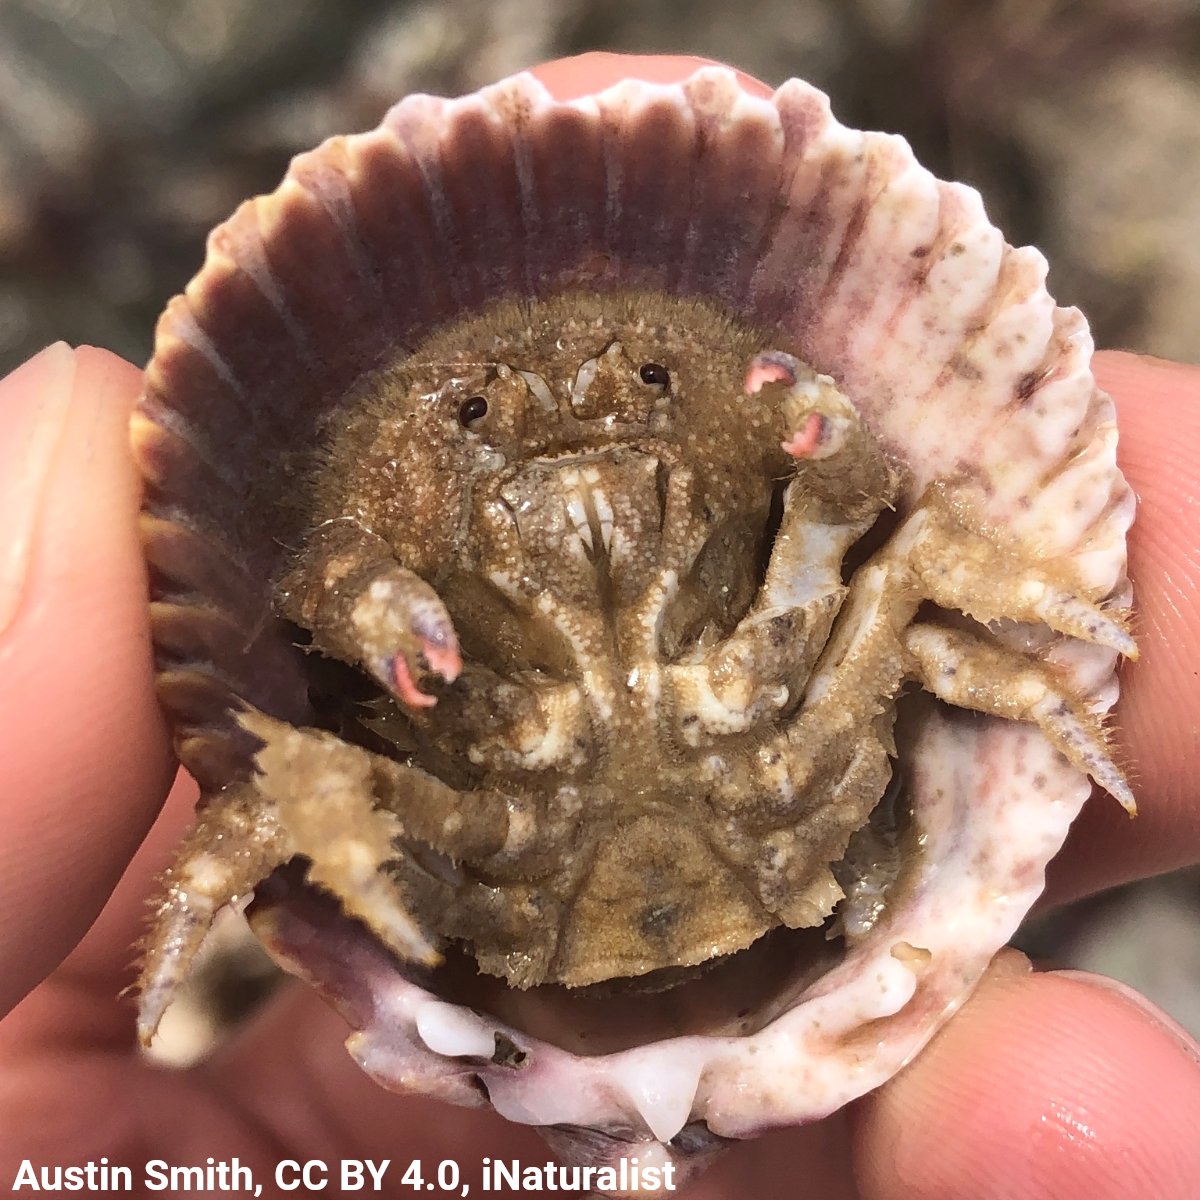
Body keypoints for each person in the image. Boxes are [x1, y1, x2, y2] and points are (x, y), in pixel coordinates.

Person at [1, 52, 1198, 1200]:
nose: (577, 442)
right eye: (479, 416)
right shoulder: (357, 573)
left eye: (651, 390)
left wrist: (1049, 659)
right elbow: (284, 761)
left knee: (908, 591)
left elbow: (902, 555)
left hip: (814, 846)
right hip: (492, 893)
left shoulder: (803, 549)